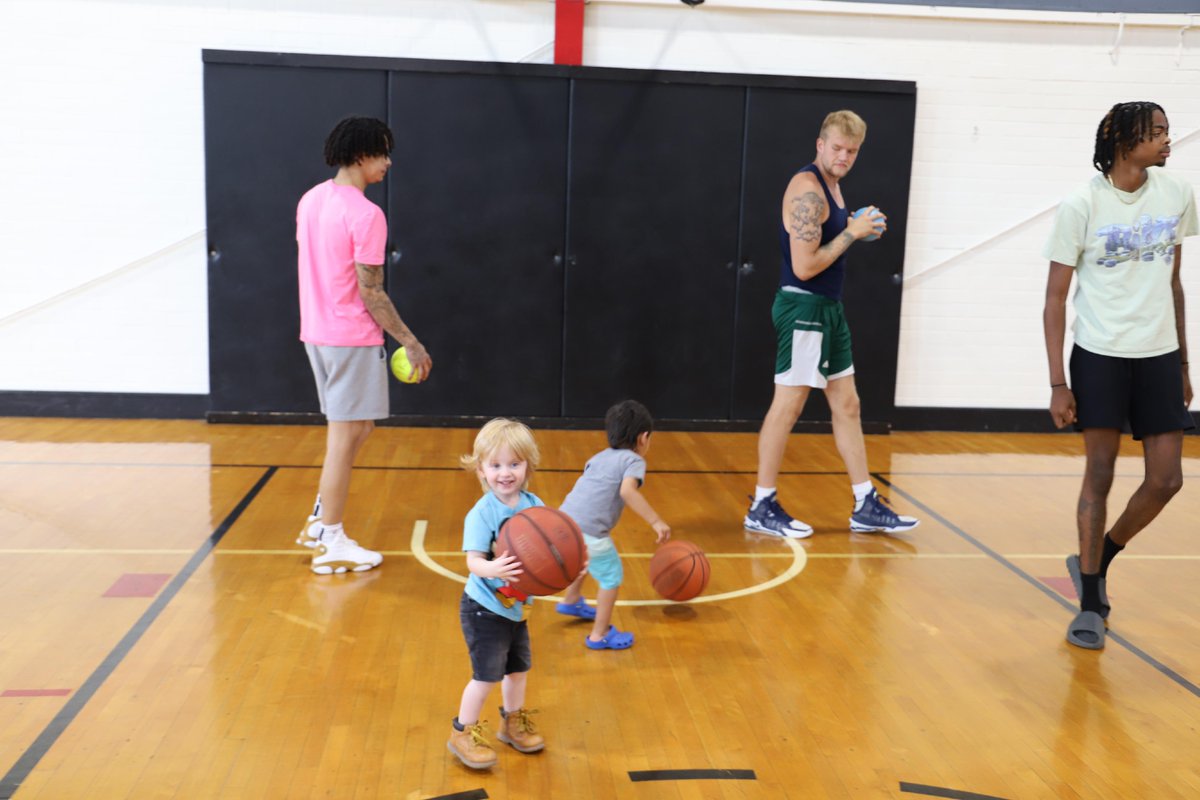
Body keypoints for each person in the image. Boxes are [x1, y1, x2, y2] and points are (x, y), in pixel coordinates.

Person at [1043, 101, 1196, 651]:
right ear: (1124, 142)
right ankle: (1089, 602)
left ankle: (1099, 557)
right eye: (1155, 133)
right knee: (1100, 475)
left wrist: (1183, 362)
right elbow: (1055, 299)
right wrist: (1058, 382)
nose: (1166, 140)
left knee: (1167, 480)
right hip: (1100, 355)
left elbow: (1174, 283)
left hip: (1157, 354)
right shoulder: (1082, 203)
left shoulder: (1177, 193)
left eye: (1165, 131)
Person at [743, 109, 919, 539]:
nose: (843, 156)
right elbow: (804, 267)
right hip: (804, 307)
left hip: (827, 310)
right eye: (837, 148)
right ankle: (762, 503)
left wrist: (854, 227)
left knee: (848, 404)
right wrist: (852, 233)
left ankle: (865, 503)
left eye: (852, 151)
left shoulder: (833, 188)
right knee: (788, 405)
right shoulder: (809, 191)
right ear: (820, 145)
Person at [293, 116, 433, 574]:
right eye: (383, 153)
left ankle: (321, 516)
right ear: (360, 155)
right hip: (349, 337)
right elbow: (370, 290)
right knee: (342, 436)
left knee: (360, 427)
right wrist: (411, 342)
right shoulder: (366, 214)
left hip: (317, 334)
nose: (388, 162)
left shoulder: (311, 200)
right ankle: (331, 536)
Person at [450, 418, 554, 770]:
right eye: (496, 465)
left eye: (514, 464)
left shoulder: (533, 504)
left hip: (517, 610)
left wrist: (568, 564)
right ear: (481, 470)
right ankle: (462, 732)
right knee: (486, 676)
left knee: (518, 671)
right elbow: (473, 561)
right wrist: (493, 568)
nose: (505, 473)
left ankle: (511, 723)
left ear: (528, 466)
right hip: (484, 608)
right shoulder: (482, 513)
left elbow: (550, 549)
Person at [556, 400, 671, 650]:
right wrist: (656, 521)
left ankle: (571, 599)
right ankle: (600, 635)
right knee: (611, 577)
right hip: (590, 532)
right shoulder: (633, 461)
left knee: (582, 557)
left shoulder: (597, 457)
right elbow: (628, 492)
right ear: (644, 438)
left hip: (561, 522)